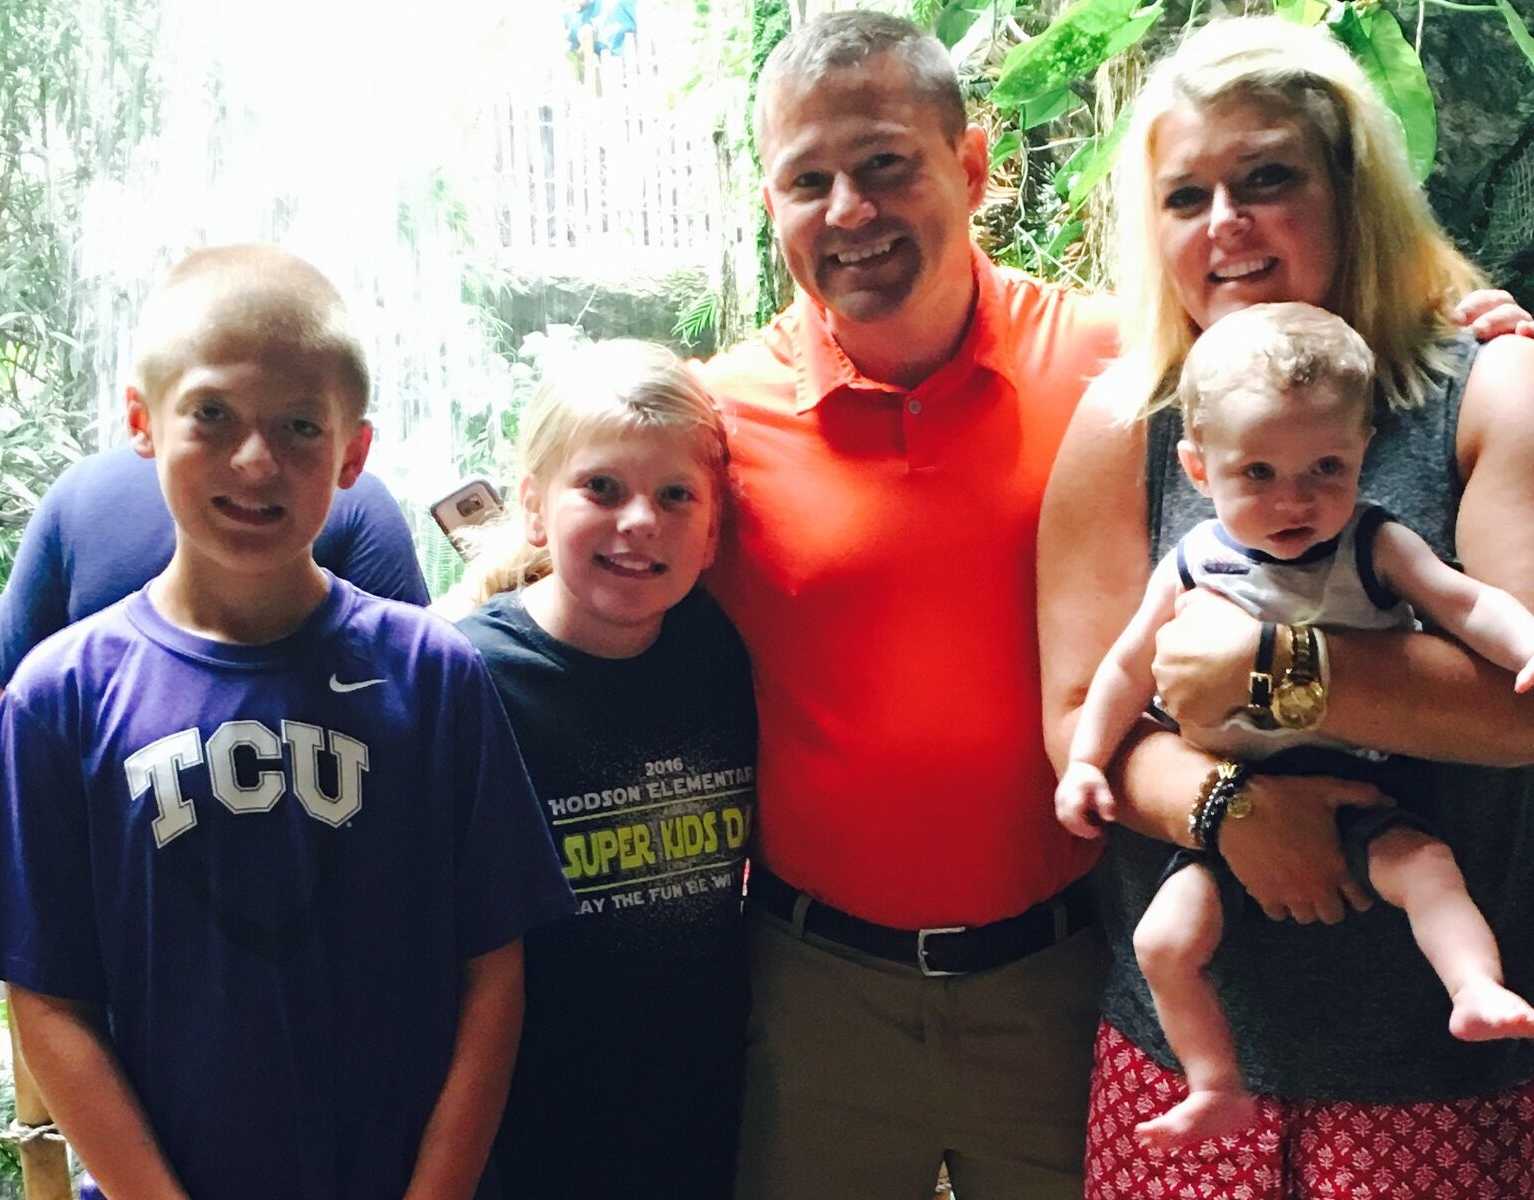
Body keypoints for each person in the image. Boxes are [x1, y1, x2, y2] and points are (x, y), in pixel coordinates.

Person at [1037, 17, 1534, 1199]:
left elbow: (1521, 712)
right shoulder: (1129, 427)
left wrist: (1273, 669)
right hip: (1191, 1065)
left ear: (1350, 187)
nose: (1226, 225)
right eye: (1185, 196)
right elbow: (1076, 720)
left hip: (1434, 1069)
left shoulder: (1487, 387)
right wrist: (1230, 808)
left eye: (1267, 179)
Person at [0, 244, 574, 1200]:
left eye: (301, 427)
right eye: (212, 415)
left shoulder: (433, 676)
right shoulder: (60, 698)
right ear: (142, 422)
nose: (256, 460)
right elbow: (46, 996)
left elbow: (493, 970)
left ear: (353, 455)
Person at [698, 12, 1120, 1197]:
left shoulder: (1112, 362)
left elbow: (1302, 406)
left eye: (885, 163)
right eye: (807, 180)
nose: (850, 211)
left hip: (1061, 972)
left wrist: (1463, 335)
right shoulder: (714, 424)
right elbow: (561, 564)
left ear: (972, 167)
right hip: (817, 989)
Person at [1056, 301, 1534, 1153]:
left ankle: (1476, 989)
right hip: (1222, 807)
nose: (1296, 499)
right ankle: (1215, 1082)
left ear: (1364, 452)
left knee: (1426, 870)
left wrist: (1528, 643)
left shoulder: (1373, 544)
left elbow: (1468, 603)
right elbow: (1123, 668)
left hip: (1364, 784)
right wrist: (1087, 763)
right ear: (1200, 469)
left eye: (1325, 467)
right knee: (1165, 940)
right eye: (1259, 475)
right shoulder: (1197, 559)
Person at [447, 340, 756, 1200]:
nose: (639, 522)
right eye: (603, 489)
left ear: (711, 530)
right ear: (535, 508)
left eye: (674, 496)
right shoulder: (469, 680)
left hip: (698, 1112)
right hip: (526, 1131)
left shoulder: (718, 654)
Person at [0, 433, 428, 689]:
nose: (254, 464)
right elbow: (416, 690)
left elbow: (10, 689)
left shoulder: (79, 493)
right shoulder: (358, 501)